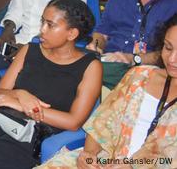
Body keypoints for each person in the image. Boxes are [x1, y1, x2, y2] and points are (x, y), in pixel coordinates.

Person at [0, 0, 102, 169]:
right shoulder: (30, 50)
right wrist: (21, 94)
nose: (42, 30)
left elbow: (73, 121)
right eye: (42, 22)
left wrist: (25, 107)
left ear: (72, 33)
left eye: (50, 25)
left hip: (31, 134)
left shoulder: (90, 66)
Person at [39, 14, 177, 168]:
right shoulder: (139, 76)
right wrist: (89, 154)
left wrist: (133, 165)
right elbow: (102, 123)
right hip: (107, 159)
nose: (172, 59)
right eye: (168, 47)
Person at [86, 0, 176, 88]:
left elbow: (171, 53)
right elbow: (102, 32)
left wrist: (133, 59)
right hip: (110, 62)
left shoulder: (174, 5)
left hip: (149, 70)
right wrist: (97, 45)